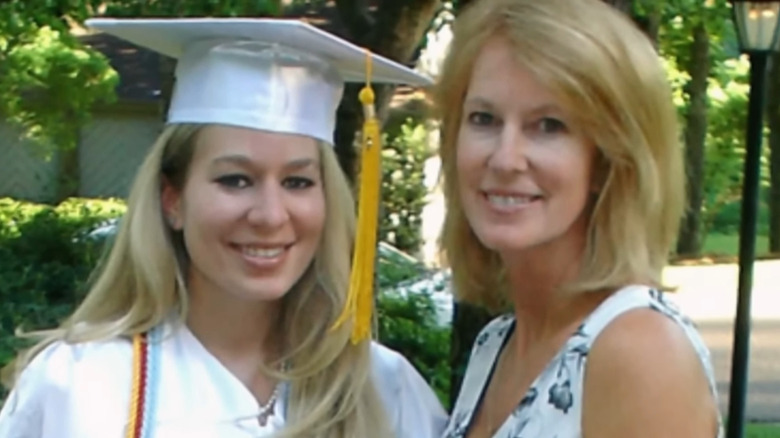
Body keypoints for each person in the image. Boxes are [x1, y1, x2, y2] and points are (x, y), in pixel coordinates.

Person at [0, 17, 447, 438]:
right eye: (235, 180)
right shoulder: (80, 387)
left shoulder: (385, 391)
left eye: (297, 181)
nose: (271, 215)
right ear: (172, 200)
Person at [434, 0, 723, 437]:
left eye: (548, 125)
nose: (505, 157)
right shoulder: (497, 344)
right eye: (484, 119)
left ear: (608, 159)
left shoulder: (638, 350)